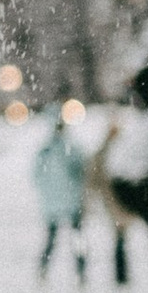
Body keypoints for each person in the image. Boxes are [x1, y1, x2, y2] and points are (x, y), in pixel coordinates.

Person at [32, 108, 89, 279]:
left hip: (52, 202)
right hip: (72, 201)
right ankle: (80, 269)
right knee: (76, 237)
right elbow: (82, 171)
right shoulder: (70, 147)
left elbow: (36, 176)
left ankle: (44, 268)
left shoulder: (45, 151)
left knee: (52, 238)